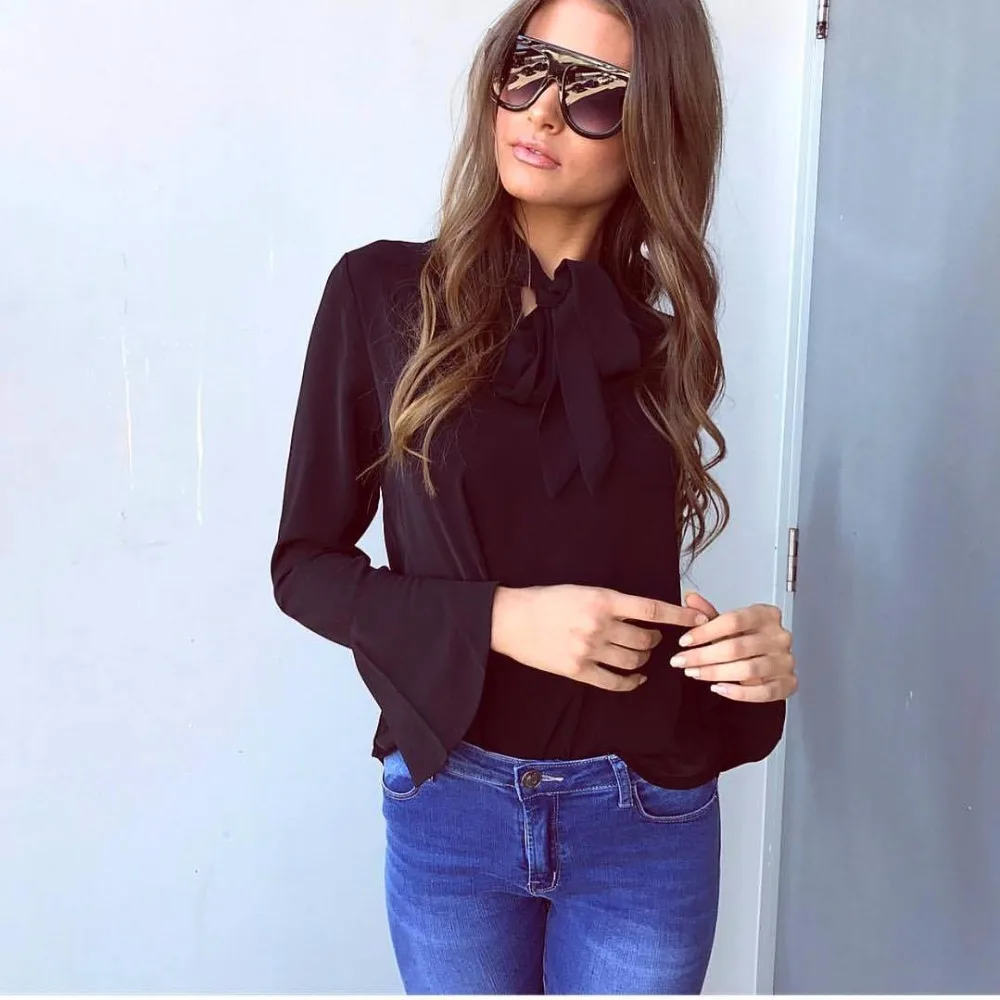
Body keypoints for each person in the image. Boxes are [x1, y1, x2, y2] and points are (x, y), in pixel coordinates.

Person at [270, 0, 798, 993]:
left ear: (657, 129)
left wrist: (748, 668)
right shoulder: (380, 297)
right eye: (530, 65)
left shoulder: (662, 346)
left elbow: (638, 613)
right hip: (450, 809)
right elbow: (304, 569)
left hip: (642, 818)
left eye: (596, 94)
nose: (545, 109)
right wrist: (501, 618)